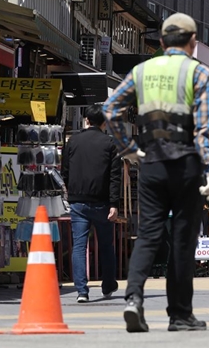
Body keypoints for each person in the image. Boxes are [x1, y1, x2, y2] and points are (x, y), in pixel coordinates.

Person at [103, 13, 209, 333]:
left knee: (149, 236)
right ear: (192, 42)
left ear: (163, 42)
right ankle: (180, 315)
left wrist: (127, 149)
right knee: (182, 241)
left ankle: (134, 300)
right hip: (185, 164)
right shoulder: (197, 72)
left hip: (150, 163)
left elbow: (110, 109)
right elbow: (205, 130)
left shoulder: (142, 71)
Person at [61, 104, 120, 303]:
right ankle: (108, 285)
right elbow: (114, 177)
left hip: (78, 202)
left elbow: (65, 171)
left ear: (86, 120)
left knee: (79, 246)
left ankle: (81, 291)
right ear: (105, 123)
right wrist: (114, 204)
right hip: (103, 203)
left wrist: (70, 191)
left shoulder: (73, 141)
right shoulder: (110, 144)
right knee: (106, 245)